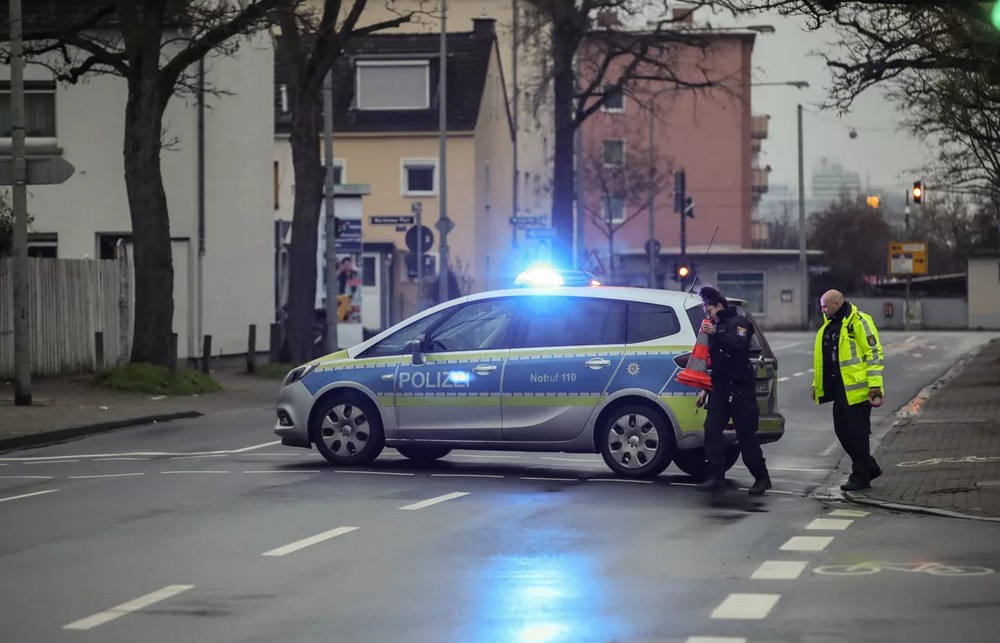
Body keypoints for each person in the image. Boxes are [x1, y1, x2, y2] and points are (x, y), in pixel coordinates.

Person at [695, 285, 772, 495]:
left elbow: (738, 346)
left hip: (740, 390)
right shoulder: (716, 327)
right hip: (720, 388)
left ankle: (761, 478)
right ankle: (716, 476)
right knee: (711, 431)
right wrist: (706, 389)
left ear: (719, 306)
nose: (709, 316)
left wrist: (716, 334)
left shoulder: (739, 322)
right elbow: (719, 363)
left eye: (709, 311)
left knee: (746, 437)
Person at [813, 290, 885, 491]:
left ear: (837, 303)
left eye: (825, 306)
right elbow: (824, 360)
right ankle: (869, 466)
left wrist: (875, 386)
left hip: (858, 389)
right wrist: (817, 385)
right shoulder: (831, 325)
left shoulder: (858, 322)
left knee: (857, 433)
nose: (822, 310)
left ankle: (860, 476)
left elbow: (874, 353)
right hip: (839, 389)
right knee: (842, 430)